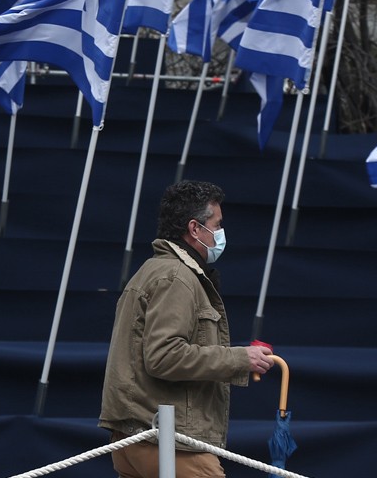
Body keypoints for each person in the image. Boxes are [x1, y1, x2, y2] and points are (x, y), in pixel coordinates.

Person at [99, 180, 273, 478]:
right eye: (216, 224)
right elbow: (164, 356)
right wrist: (240, 358)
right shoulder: (177, 277)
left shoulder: (153, 270)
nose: (220, 233)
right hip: (168, 443)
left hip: (136, 440)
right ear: (195, 229)